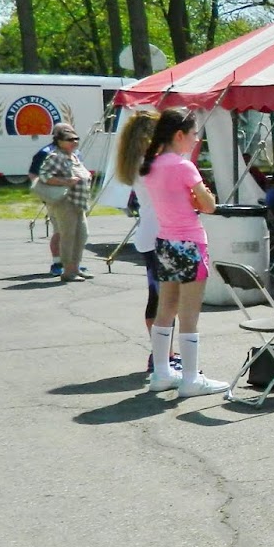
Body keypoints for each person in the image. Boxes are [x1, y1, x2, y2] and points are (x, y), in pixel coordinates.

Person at [140, 110, 229, 397]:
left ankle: (162, 373)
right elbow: (209, 205)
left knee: (165, 309)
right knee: (189, 314)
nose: (196, 139)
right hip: (190, 242)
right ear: (179, 135)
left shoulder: (151, 165)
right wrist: (203, 195)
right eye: (193, 134)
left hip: (165, 242)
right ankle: (191, 378)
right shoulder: (184, 167)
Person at [114, 111, 178, 377]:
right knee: (166, 301)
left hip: (149, 234)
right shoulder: (153, 164)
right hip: (161, 235)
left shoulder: (137, 163)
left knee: (158, 298)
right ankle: (163, 356)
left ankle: (162, 354)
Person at [36, 124, 95, 283]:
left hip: (78, 204)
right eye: (70, 139)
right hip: (65, 203)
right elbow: (44, 176)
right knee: (68, 237)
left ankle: (76, 268)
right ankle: (68, 271)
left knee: (81, 236)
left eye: (76, 139)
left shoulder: (74, 156)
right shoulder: (56, 156)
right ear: (59, 141)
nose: (74, 142)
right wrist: (65, 181)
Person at [28, 139, 63, 275]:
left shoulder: (73, 152)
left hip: (73, 198)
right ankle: (57, 263)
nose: (74, 140)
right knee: (60, 231)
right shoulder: (45, 153)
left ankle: (73, 264)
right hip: (55, 198)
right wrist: (45, 194)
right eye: (70, 137)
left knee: (73, 232)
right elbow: (33, 175)